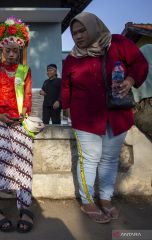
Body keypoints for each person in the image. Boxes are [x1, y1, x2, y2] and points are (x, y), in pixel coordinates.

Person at [61, 12, 148, 223]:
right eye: (74, 33)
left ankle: (106, 199)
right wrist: (66, 108)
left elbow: (140, 64)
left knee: (109, 159)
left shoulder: (117, 44)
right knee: (89, 160)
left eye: (82, 30)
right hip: (85, 117)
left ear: (95, 26)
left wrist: (130, 78)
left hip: (117, 114)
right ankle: (88, 201)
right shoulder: (73, 58)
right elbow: (66, 87)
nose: (79, 36)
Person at [0, 16, 34, 233]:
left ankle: (25, 207)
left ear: (20, 51)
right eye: (8, 50)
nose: (12, 54)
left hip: (19, 119)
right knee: (3, 154)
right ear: (2, 50)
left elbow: (29, 96)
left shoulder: (25, 71)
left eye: (16, 51)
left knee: (25, 155)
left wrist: (22, 114)